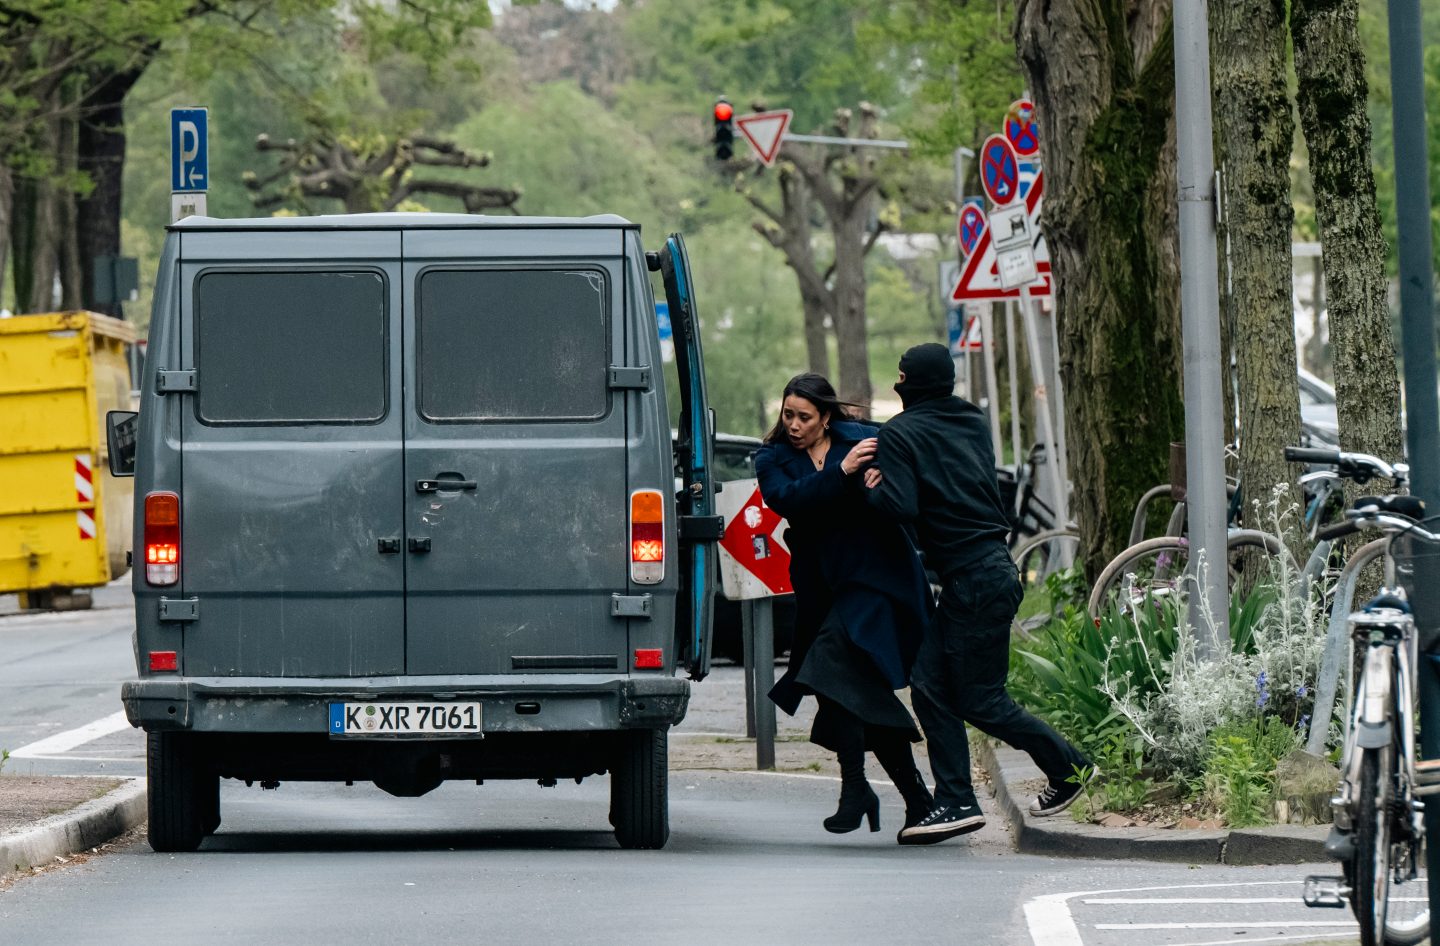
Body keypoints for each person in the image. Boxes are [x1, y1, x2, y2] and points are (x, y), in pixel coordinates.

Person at [863, 343, 1092, 845]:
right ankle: (957, 801)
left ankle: (1070, 768)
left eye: (901, 379)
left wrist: (872, 484)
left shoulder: (899, 433)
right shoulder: (972, 421)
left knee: (980, 700)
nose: (897, 386)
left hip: (972, 580)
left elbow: (899, 505)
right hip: (990, 572)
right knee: (929, 684)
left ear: (912, 385)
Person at [754, 373, 935, 839]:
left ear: (826, 417)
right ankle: (912, 798)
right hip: (823, 589)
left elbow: (909, 477)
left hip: (876, 579)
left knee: (833, 667)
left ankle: (856, 787)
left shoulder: (865, 440)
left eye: (804, 417)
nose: (793, 425)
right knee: (847, 687)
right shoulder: (772, 459)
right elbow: (788, 499)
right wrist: (843, 472)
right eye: (788, 415)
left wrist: (882, 476)